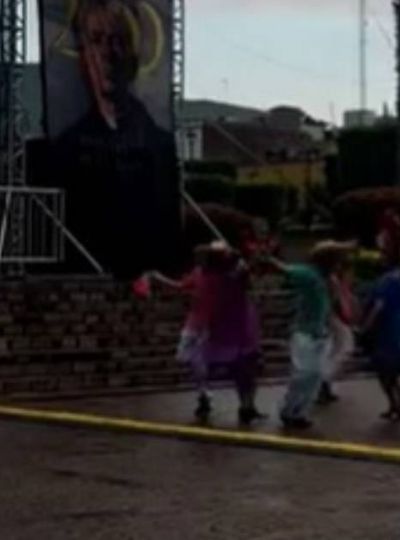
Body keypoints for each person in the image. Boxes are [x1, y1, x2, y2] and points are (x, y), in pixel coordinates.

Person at [52, 0, 179, 278]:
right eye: (97, 40)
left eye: (119, 41)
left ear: (134, 58)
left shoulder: (160, 144)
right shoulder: (65, 148)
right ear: (83, 55)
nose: (108, 53)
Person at [152, 241, 264, 425]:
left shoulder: (231, 276)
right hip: (213, 326)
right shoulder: (212, 274)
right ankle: (217, 397)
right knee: (234, 367)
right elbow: (181, 286)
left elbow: (245, 278)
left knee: (243, 367)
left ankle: (245, 405)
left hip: (228, 326)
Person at [266, 244, 336, 429]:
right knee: (304, 373)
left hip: (319, 332)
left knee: (315, 375)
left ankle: (300, 412)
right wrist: (268, 258)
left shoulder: (323, 277)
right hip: (305, 332)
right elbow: (283, 269)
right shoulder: (308, 274)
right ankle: (289, 409)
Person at [361, 248, 400, 421]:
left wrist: (366, 326)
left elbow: (379, 305)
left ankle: (395, 402)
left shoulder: (387, 281)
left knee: (385, 369)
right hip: (398, 326)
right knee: (391, 369)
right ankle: (397, 399)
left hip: (385, 328)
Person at [317, 242, 360, 404]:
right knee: (345, 348)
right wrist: (344, 316)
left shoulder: (329, 278)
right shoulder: (330, 279)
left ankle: (325, 384)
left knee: (333, 350)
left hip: (330, 317)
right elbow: (335, 301)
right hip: (332, 317)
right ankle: (323, 380)